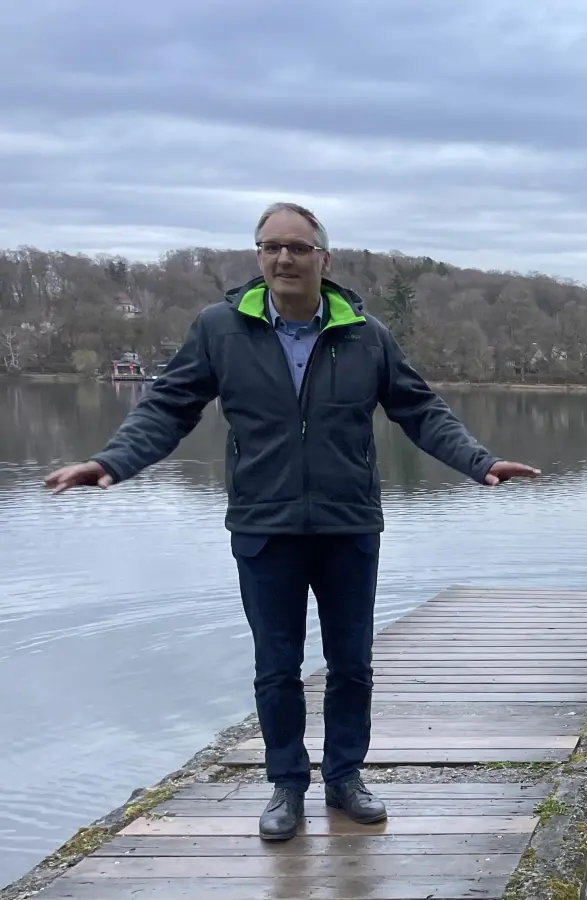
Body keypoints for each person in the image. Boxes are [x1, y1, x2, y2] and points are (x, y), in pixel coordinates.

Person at [43, 202, 540, 842]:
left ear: (323, 260)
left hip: (347, 525)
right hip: (263, 525)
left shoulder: (365, 333)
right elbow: (167, 407)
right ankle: (285, 784)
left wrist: (479, 462)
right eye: (271, 247)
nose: (284, 258)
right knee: (275, 666)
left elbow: (420, 410)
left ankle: (344, 778)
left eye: (298, 248)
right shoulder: (221, 329)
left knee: (352, 663)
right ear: (259, 257)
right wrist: (112, 461)